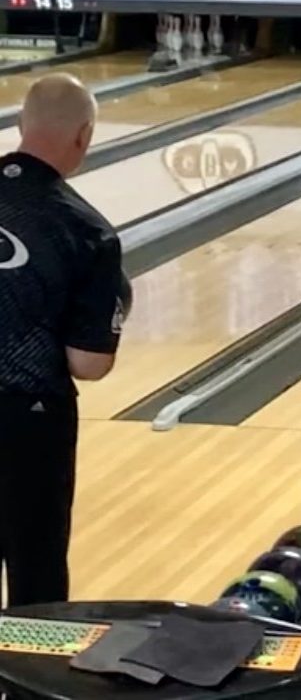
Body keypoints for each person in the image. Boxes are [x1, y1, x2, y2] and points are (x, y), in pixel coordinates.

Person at [0, 73, 131, 609]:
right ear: (84, 136)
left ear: (19, 124)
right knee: (36, 574)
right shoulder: (86, 231)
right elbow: (90, 363)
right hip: (27, 424)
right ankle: (29, 688)